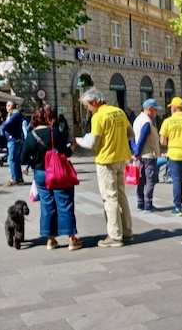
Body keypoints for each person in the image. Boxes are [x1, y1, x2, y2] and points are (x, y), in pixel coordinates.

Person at [75, 87, 135, 247]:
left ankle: (115, 236)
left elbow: (92, 143)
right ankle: (127, 231)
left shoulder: (98, 117)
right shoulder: (119, 112)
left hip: (106, 160)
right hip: (121, 157)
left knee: (110, 197)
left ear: (94, 102)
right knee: (121, 195)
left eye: (87, 106)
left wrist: (78, 140)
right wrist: (116, 138)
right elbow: (131, 133)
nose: (87, 109)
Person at [20, 106, 81, 251]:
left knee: (47, 206)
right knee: (65, 204)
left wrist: (36, 163)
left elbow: (22, 159)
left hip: (40, 174)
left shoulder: (30, 135)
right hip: (57, 173)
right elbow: (66, 153)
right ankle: (72, 240)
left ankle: (50, 240)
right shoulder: (54, 132)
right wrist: (73, 145)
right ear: (49, 118)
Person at [132, 98, 162, 212]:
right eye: (155, 110)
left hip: (142, 155)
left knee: (141, 179)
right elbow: (142, 139)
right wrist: (138, 152)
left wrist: (136, 152)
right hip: (149, 155)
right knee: (150, 179)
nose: (157, 113)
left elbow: (132, 139)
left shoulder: (137, 120)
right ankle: (148, 203)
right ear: (149, 110)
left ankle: (140, 203)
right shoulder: (147, 122)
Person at [1, 101, 25, 186]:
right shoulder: (12, 114)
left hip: (13, 140)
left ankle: (14, 178)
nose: (6, 107)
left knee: (11, 160)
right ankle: (19, 177)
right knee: (15, 160)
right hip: (14, 140)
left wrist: (3, 124)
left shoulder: (15, 115)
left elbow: (5, 126)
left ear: (12, 107)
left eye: (8, 105)